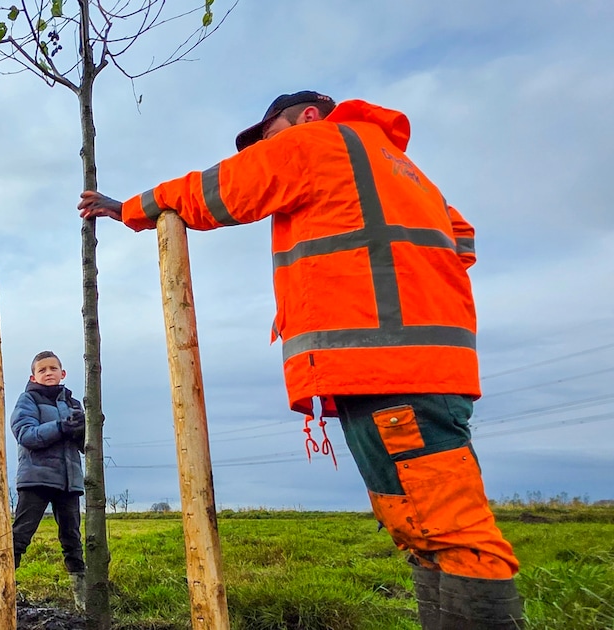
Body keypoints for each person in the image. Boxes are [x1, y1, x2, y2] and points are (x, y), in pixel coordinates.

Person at [78, 91, 523, 629]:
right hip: (410, 368)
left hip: (387, 365)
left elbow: (218, 190)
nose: (267, 148)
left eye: (270, 135)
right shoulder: (404, 171)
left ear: (307, 115)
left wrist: (129, 208)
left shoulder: (319, 142)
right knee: (418, 527)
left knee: (453, 535)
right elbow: (462, 243)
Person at [9, 351, 86, 610]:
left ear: (63, 373)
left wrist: (90, 426)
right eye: (42, 370)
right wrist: (62, 427)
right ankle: (2, 589)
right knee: (20, 536)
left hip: (69, 480)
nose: (48, 372)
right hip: (36, 478)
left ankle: (83, 601)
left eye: (53, 368)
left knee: (72, 539)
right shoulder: (27, 400)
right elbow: (26, 434)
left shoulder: (74, 403)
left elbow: (86, 446)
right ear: (33, 376)